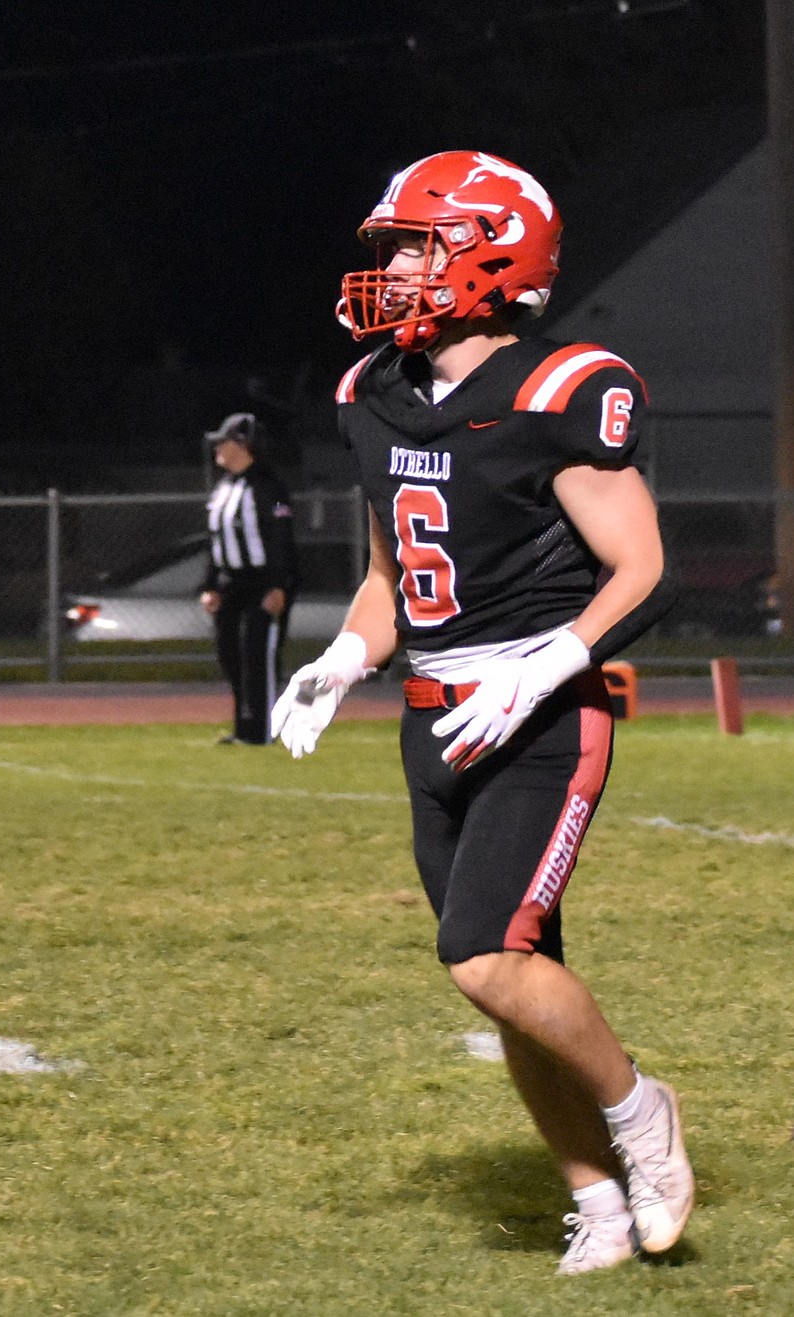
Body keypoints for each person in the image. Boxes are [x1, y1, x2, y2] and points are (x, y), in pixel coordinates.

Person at [271, 151, 693, 1274]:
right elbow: (390, 578)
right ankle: (597, 1201)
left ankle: (645, 1115)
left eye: (417, 243)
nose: (395, 268)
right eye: (394, 246)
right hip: (432, 715)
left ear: (490, 253)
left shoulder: (558, 391)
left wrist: (547, 661)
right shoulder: (376, 393)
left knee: (480, 954)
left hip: (539, 714)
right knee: (517, 982)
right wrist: (345, 657)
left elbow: (645, 568)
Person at [200, 412, 298, 744]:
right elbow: (215, 541)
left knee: (259, 656)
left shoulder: (268, 486)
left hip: (264, 583)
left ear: (244, 445)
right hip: (232, 583)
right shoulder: (224, 486)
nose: (218, 447)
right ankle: (245, 727)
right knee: (230, 654)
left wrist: (279, 585)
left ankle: (263, 730)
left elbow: (282, 540)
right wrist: (211, 584)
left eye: (225, 441)